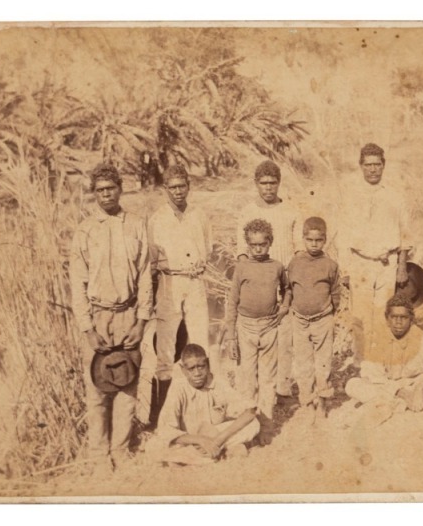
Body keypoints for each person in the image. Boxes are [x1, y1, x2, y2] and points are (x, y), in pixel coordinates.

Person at [69, 163, 153, 469]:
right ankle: (98, 454)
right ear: (94, 194)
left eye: (111, 188)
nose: (106, 195)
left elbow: (145, 275)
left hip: (128, 314)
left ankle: (121, 450)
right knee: (97, 390)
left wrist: (142, 321)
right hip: (97, 315)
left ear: (120, 189)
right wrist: (88, 329)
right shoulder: (85, 230)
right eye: (100, 190)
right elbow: (77, 282)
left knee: (127, 385)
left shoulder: (136, 225)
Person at [138, 165, 212, 429]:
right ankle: (160, 417)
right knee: (166, 349)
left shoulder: (199, 215)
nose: (178, 191)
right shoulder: (157, 219)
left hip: (194, 281)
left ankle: (204, 409)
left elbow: (207, 247)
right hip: (169, 284)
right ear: (165, 189)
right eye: (173, 187)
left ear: (189, 186)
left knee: (202, 341)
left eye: (182, 186)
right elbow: (152, 263)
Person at [336, 143, 412, 363]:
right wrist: (345, 270)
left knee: (383, 314)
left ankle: (382, 360)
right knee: (360, 317)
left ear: (383, 165)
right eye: (368, 165)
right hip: (360, 263)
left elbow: (405, 235)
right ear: (361, 166)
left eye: (377, 165)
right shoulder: (351, 196)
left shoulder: (395, 197)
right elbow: (344, 236)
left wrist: (402, 266)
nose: (372, 170)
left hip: (387, 263)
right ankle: (362, 363)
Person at [235, 160, 303, 401]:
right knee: (255, 341)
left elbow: (298, 251)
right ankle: (252, 394)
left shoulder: (291, 211)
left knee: (284, 338)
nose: (268, 188)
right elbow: (242, 254)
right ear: (256, 184)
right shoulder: (247, 212)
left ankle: (282, 389)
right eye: (263, 183)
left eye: (272, 183)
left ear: (279, 183)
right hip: (257, 285)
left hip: (283, 281)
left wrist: (289, 289)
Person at [224, 218, 292, 436]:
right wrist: (231, 337)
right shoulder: (242, 268)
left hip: (269, 327)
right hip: (245, 328)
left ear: (270, 242)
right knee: (247, 377)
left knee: (267, 377)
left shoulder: (277, 267)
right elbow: (232, 301)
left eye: (262, 244)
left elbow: (287, 289)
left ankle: (266, 422)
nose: (258, 249)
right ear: (247, 244)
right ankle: (247, 424)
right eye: (253, 245)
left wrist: (284, 307)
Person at [345, 295, 423, 425]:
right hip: (389, 386)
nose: (398, 322)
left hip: (413, 382)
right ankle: (404, 401)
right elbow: (373, 376)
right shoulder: (378, 340)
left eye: (403, 317)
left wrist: (419, 388)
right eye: (394, 317)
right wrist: (402, 393)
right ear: (387, 319)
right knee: (352, 385)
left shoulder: (419, 337)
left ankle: (394, 402)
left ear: (411, 319)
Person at [154, 344, 259, 465]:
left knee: (254, 424)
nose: (197, 373)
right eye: (191, 369)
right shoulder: (178, 388)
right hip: (190, 439)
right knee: (154, 445)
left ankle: (199, 456)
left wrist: (217, 441)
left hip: (216, 436)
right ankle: (220, 452)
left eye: (201, 367)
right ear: (183, 370)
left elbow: (250, 411)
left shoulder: (218, 382)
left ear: (208, 364)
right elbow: (166, 429)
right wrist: (200, 440)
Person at [286, 217, 341, 423]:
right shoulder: (295, 263)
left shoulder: (330, 265)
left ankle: (323, 400)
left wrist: (330, 311)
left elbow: (335, 291)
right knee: (303, 362)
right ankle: (307, 401)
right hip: (299, 320)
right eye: (310, 240)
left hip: (323, 319)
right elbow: (290, 288)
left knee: (323, 362)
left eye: (319, 240)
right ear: (303, 239)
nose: (314, 244)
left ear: (325, 240)